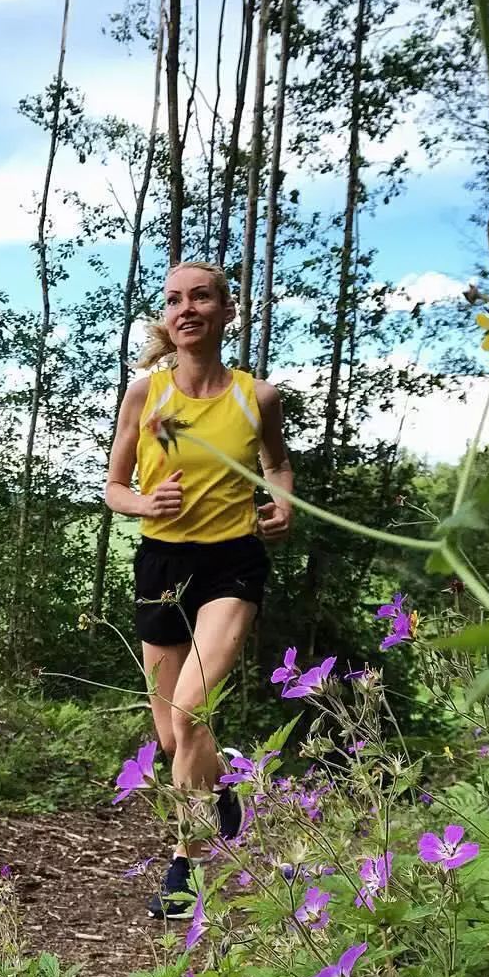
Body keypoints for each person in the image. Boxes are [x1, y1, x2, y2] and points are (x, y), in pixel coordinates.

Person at [105, 260, 294, 919]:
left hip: (231, 565)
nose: (186, 308)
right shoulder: (145, 393)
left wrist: (284, 502)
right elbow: (113, 487)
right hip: (161, 565)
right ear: (167, 317)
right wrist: (144, 502)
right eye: (174, 300)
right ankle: (222, 781)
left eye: (201, 297)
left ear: (226, 310)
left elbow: (277, 464)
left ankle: (183, 867)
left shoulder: (257, 397)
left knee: (188, 716)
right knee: (171, 736)